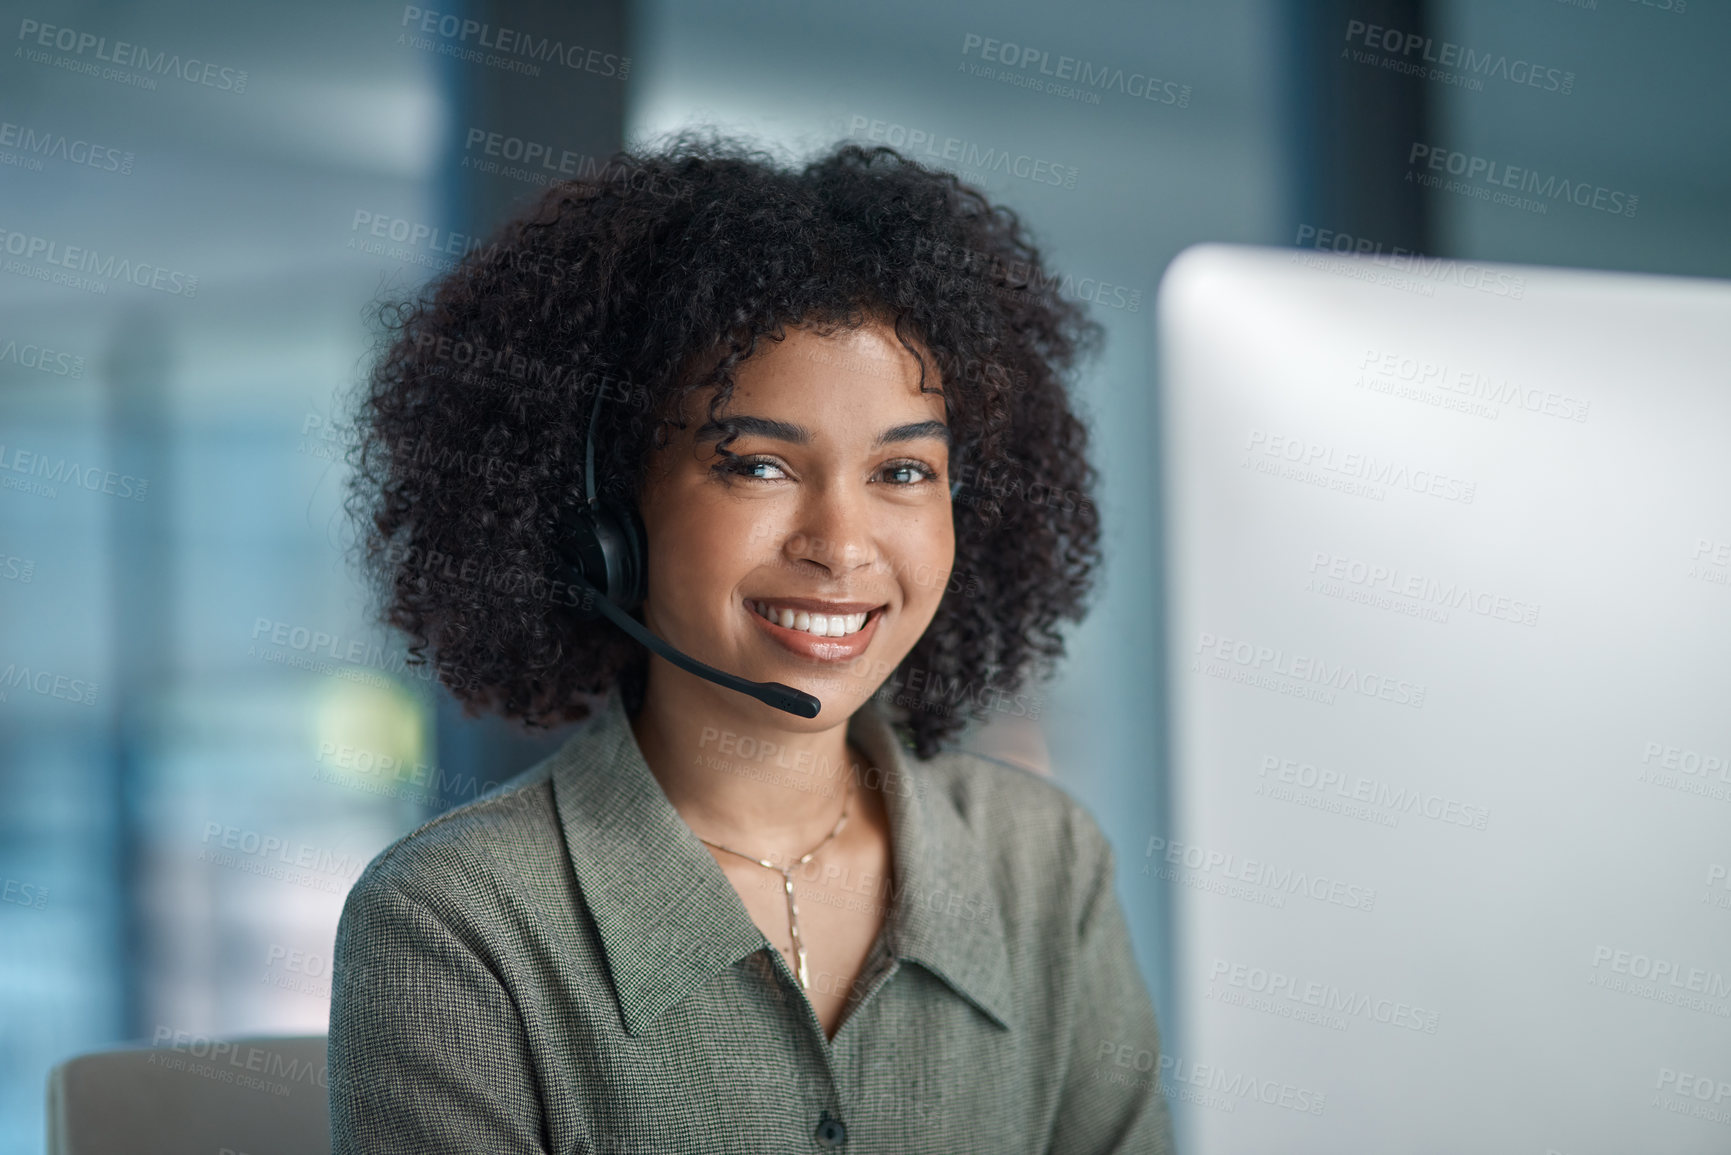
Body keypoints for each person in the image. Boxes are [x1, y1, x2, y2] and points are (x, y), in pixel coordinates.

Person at [328, 128, 1176, 1154]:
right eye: (759, 466)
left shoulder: (1042, 864)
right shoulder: (459, 922)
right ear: (605, 514)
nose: (842, 545)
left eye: (904, 472)